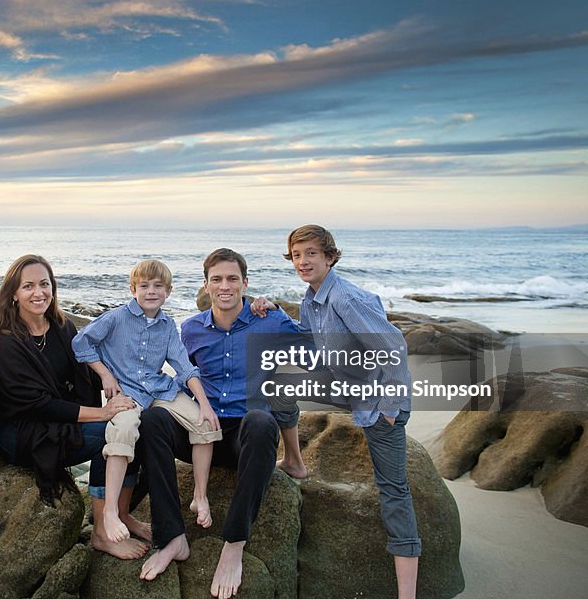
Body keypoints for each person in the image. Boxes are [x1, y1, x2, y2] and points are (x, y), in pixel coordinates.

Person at [138, 248, 298, 599]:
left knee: (261, 421)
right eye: (217, 279)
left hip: (247, 439)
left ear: (245, 283)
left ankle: (234, 543)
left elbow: (315, 346)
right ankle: (172, 537)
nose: (225, 286)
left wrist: (278, 309)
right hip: (202, 434)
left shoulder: (268, 321)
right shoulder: (190, 329)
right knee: (153, 419)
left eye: (232, 279)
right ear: (206, 285)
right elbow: (177, 375)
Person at [274, 224, 421, 599]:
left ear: (329, 257)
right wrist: (270, 312)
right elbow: (308, 339)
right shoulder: (311, 298)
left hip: (380, 399)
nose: (303, 261)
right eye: (296, 255)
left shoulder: (346, 298)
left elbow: (394, 349)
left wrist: (388, 409)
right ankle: (294, 461)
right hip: (348, 388)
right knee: (277, 386)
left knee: (393, 491)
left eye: (310, 253)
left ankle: (407, 594)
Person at [0, 254, 150, 560]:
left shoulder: (61, 327)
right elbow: (37, 404)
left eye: (44, 284)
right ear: (14, 293)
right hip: (25, 431)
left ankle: (122, 515)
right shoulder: (5, 341)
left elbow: (87, 366)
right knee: (111, 435)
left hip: (62, 421)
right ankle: (102, 531)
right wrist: (103, 413)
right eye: (28, 286)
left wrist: (116, 382)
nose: (39, 292)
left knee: (136, 425)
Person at [71, 259, 221, 545]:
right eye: (144, 286)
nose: (151, 291)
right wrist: (105, 375)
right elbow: (81, 343)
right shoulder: (116, 318)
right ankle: (112, 511)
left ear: (168, 291)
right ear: (133, 289)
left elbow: (185, 368)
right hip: (126, 393)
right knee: (123, 431)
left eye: (158, 286)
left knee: (205, 425)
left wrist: (204, 404)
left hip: (158, 390)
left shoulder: (167, 327)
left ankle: (199, 497)